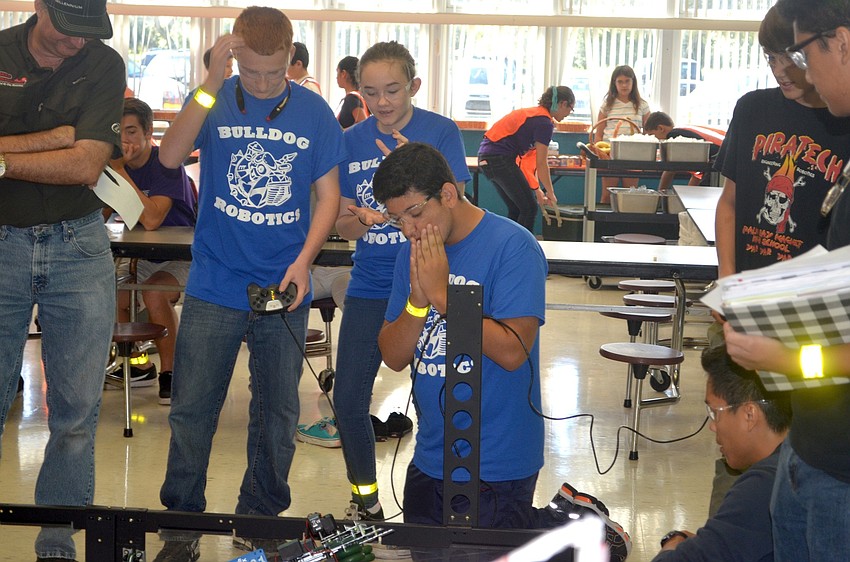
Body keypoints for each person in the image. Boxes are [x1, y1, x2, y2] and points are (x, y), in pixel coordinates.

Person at [372, 143, 631, 562]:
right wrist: (418, 302)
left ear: (449, 194)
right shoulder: (412, 252)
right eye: (396, 218)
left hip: (496, 459)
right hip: (431, 455)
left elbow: (512, 351)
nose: (407, 229)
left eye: (415, 214)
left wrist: (442, 295)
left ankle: (575, 528)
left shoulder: (514, 247)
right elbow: (394, 355)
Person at [152, 7, 346, 561]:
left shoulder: (313, 111)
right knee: (192, 408)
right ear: (233, 56)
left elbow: (329, 197)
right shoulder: (216, 99)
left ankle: (259, 522)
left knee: (278, 413)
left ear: (291, 57)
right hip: (216, 281)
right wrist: (211, 82)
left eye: (274, 72)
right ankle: (181, 529)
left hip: (284, 285)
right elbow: (169, 155)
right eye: (250, 71)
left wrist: (305, 261)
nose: (261, 84)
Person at [723, 1, 850, 559]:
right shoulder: (759, 110)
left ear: (839, 43)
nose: (797, 69)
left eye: (802, 52)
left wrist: (784, 358)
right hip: (815, 445)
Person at [0, 0, 124, 559]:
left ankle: (57, 536)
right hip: (2, 240)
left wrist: (3, 155)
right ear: (39, 7)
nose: (78, 44)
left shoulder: (103, 63)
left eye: (88, 34)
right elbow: (70, 148)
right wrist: (58, 136)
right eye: (69, 31)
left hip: (79, 244)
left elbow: (84, 165)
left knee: (76, 412)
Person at [329, 40, 471, 519]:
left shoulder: (441, 132)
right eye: (371, 92)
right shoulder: (349, 141)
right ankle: (365, 499)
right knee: (347, 394)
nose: (382, 102)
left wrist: (422, 170)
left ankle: (445, 494)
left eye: (392, 90)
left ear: (413, 85)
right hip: (372, 282)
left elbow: (459, 208)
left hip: (436, 277)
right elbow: (342, 224)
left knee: (443, 392)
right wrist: (364, 220)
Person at [714, 5, 850, 281]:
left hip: (811, 296)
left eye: (791, 58)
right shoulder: (752, 109)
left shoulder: (842, 119)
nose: (780, 71)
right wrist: (727, 278)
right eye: (771, 59)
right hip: (748, 290)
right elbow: (728, 203)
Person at [652, 345, 791, 561]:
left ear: (749, 414)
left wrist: (674, 541)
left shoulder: (763, 487)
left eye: (715, 412)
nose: (713, 426)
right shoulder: (803, 458)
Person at [108, 97, 197, 405]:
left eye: (131, 132)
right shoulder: (113, 165)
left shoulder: (166, 164)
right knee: (112, 298)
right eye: (118, 131)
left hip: (180, 254)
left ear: (148, 133)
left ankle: (170, 373)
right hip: (140, 256)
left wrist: (120, 172)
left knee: (154, 293)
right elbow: (100, 213)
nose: (124, 139)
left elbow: (151, 218)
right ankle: (137, 365)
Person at [477, 86, 574, 232]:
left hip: (488, 158)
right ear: (562, 104)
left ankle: (509, 247)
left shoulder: (535, 115)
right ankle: (521, 249)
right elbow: (541, 163)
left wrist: (536, 189)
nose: (569, 114)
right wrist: (550, 192)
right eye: (570, 109)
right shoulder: (544, 122)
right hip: (498, 159)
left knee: (517, 208)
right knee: (529, 208)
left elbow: (528, 161)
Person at [594, 65, 650, 204]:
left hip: (634, 155)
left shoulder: (642, 105)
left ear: (633, 82)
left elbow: (649, 133)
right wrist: (600, 153)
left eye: (627, 81)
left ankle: (628, 226)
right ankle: (604, 226)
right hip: (610, 154)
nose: (624, 85)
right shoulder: (607, 105)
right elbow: (598, 134)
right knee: (607, 196)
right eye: (620, 81)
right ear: (614, 83)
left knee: (630, 195)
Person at [643, 111, 724, 192]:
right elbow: (697, 174)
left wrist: (659, 197)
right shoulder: (684, 130)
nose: (654, 140)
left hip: (722, 159)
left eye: (652, 135)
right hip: (724, 154)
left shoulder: (674, 136)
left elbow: (670, 170)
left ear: (661, 128)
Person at [335, 55, 369, 129]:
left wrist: (342, 131)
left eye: (337, 72)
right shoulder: (362, 96)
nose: (336, 77)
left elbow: (363, 124)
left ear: (343, 73)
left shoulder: (352, 99)